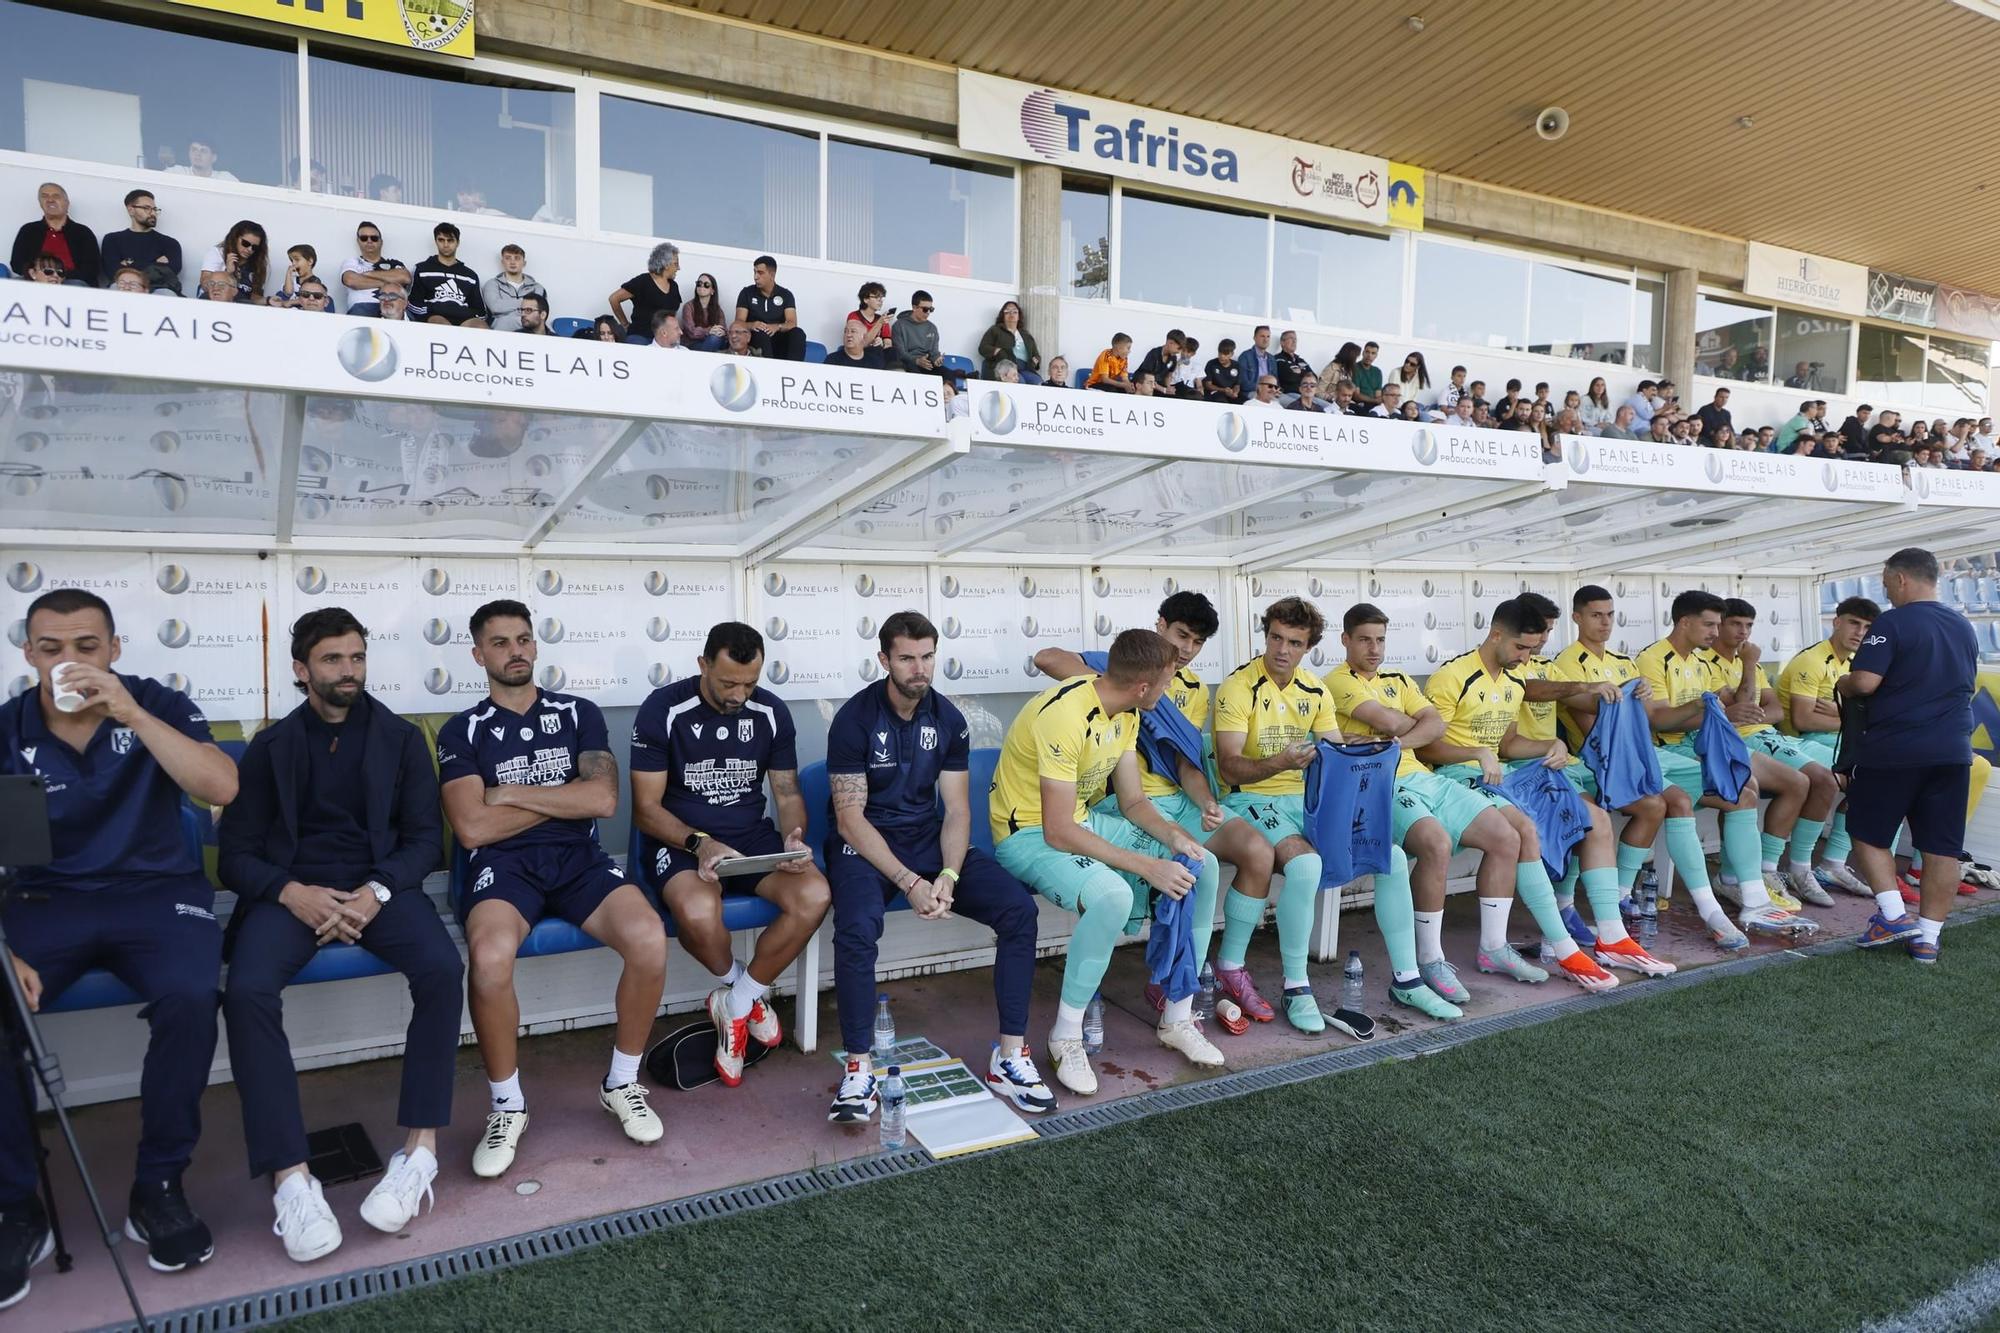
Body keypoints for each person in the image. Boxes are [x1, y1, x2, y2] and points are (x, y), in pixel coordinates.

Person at [0, 589, 238, 1291]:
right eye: (51, 649)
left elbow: (220, 782)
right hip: (46, 901)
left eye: (86, 646)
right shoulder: (9, 725)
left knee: (192, 995)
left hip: (156, 893)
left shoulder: (154, 702)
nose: (69, 662)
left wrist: (128, 711)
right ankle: (17, 1205)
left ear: (114, 649)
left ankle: (158, 1184)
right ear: (28, 654)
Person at [216, 610, 458, 1261]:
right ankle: (292, 1178)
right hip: (291, 894)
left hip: (379, 891)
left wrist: (374, 891)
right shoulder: (271, 748)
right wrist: (292, 892)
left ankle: (419, 1153)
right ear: (302, 669)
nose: (347, 670)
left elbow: (423, 842)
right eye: (332, 659)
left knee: (441, 968)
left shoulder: (402, 739)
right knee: (246, 991)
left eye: (355, 657)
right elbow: (233, 855)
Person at [438, 601, 667, 1179]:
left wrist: (508, 793)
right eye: (499, 643)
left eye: (523, 639)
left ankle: (622, 1083)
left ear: (535, 646)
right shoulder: (460, 729)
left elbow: (603, 800)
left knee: (648, 937)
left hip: (578, 861)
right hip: (503, 868)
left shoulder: (577, 713)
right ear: (478, 654)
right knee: (489, 959)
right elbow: (471, 827)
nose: (514, 651)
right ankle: (506, 1106)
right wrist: (561, 795)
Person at [1033, 593, 1300, 1030]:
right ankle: (1169, 980)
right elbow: (1046, 658)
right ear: (1161, 625)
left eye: (1197, 642)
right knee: (1196, 864)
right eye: (1181, 636)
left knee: (1257, 850)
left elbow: (1184, 759)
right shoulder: (1118, 663)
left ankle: (1227, 968)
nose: (1188, 649)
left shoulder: (1193, 690)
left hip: (1175, 800)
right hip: (1122, 804)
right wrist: (1126, 683)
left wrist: (1207, 802)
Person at [826, 613, 1055, 1122]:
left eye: (927, 656)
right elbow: (848, 819)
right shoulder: (854, 719)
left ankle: (1010, 1057)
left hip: (928, 840)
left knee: (1018, 910)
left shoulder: (949, 719)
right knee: (858, 927)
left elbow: (956, 809)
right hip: (866, 844)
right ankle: (858, 1070)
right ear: (883, 660)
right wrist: (909, 882)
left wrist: (948, 876)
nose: (919, 668)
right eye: (907, 658)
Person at [990, 630, 1210, 1094]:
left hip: (1080, 822)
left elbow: (1132, 801)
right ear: (1143, 687)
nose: (1170, 693)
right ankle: (1066, 1036)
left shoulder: (1128, 711)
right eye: (1167, 684)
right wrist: (1145, 866)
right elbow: (1057, 830)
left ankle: (1177, 1015)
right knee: (1113, 895)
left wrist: (1173, 837)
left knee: (1198, 866)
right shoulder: (1064, 716)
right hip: (1027, 834)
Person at [630, 623, 828, 1083]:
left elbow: (786, 790)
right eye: (728, 683)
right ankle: (745, 995)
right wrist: (700, 843)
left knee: (814, 895)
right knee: (698, 912)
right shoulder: (664, 709)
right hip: (682, 840)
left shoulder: (771, 712)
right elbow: (645, 810)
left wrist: (794, 837)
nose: (739, 694)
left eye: (750, 683)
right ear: (703, 666)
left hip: (753, 838)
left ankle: (736, 1002)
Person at [1414, 606, 1637, 989]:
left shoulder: (1514, 678)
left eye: (1532, 650)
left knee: (1594, 818)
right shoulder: (1452, 677)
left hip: (1501, 774)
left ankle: (1612, 937)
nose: (1526, 659)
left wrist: (1551, 745)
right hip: (1455, 776)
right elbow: (1427, 751)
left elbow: (1507, 744)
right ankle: (1562, 947)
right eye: (1521, 648)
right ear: (1496, 634)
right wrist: (1476, 753)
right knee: (1522, 828)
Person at [1549, 587, 1753, 952]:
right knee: (1670, 801)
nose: (1606, 622)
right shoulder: (1567, 663)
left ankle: (1625, 895)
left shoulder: (1624, 661)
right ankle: (1711, 909)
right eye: (1596, 615)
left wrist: (1699, 706)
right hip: (1600, 760)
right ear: (1577, 618)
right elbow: (1592, 722)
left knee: (1734, 789)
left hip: (1643, 754)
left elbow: (1646, 720)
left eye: (1610, 614)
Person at [1508, 594, 1676, 975]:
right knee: (1585, 818)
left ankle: (1605, 924)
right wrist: (1585, 686)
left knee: (1605, 815)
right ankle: (1562, 920)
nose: (1542, 640)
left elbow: (1586, 699)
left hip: (1557, 764)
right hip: (1520, 768)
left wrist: (1627, 692)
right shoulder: (1513, 669)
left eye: (1548, 632)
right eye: (1537, 633)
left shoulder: (1547, 667)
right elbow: (1531, 690)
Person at [1636, 591, 1816, 940]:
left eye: (1718, 624)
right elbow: (1658, 721)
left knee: (1755, 787)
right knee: (1739, 790)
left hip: (1702, 744)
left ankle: (1750, 891)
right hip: (1668, 750)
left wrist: (1718, 711)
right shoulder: (1653, 659)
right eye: (1709, 624)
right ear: (1685, 622)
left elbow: (1741, 706)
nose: (1714, 632)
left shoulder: (1700, 662)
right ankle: (1743, 896)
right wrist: (1711, 711)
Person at [1836, 548, 1982, 962]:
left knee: (1865, 831)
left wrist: (1845, 683)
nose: (1886, 592)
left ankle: (1894, 915)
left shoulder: (1893, 622)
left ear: (1900, 579)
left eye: (1886, 583)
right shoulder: (1964, 625)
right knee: (1942, 848)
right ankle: (1928, 940)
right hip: (1953, 750)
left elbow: (1865, 682)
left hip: (1896, 749)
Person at [1706, 600, 1841, 911]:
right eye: (1735, 624)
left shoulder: (1746, 660)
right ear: (1719, 625)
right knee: (1808, 781)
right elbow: (1738, 706)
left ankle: (1802, 869)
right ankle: (1765, 871)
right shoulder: (1708, 663)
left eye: (1749, 625)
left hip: (1766, 735)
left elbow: (1775, 709)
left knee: (1840, 776)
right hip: (1736, 742)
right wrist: (1750, 666)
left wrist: (1752, 711)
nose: (1743, 632)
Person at [1776, 597, 1882, 897]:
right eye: (1853, 623)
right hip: (1800, 741)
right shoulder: (1812, 660)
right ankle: (1805, 867)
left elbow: (1868, 715)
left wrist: (1842, 716)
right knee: (1867, 774)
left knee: (1889, 774)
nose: (1859, 632)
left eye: (1867, 627)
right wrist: (1850, 719)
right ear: (1836, 622)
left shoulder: (1854, 663)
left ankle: (1834, 863)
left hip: (1835, 739)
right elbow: (1803, 719)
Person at [12, 182, 99, 285]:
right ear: (40, 203)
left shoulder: (83, 233)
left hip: (70, 282)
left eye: (56, 196)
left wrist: (57, 275)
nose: (50, 200)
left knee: (77, 284)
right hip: (36, 281)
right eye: (44, 196)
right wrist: (41, 275)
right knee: (16, 282)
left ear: (67, 203)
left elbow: (92, 269)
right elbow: (17, 264)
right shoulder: (28, 230)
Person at [408, 223, 488, 328]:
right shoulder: (422, 269)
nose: (445, 245)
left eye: (450, 240)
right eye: (441, 240)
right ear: (435, 241)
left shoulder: (470, 276)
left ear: (457, 243)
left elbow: (481, 313)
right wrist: (434, 310)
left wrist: (460, 312)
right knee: (439, 321)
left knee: (480, 325)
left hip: (464, 320)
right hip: (434, 318)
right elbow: (412, 303)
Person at [98, 189, 181, 289]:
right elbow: (113, 272)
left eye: (155, 209)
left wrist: (129, 262)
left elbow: (171, 272)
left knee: (166, 295)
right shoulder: (112, 239)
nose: (153, 213)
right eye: (147, 208)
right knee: (115, 288)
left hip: (159, 288)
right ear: (131, 210)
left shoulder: (170, 243)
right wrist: (156, 264)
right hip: (124, 286)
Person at [734, 254, 806, 360]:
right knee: (761, 334)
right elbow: (738, 322)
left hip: (778, 339)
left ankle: (794, 370)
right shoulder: (746, 293)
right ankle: (768, 371)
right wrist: (753, 324)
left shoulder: (786, 294)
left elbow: (792, 323)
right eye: (754, 272)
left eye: (760, 273)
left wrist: (776, 327)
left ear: (772, 275)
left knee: (798, 333)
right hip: (757, 338)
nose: (755, 277)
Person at [610, 243, 684, 343]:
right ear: (666, 265)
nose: (678, 268)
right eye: (676, 264)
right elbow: (614, 299)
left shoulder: (674, 286)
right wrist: (625, 324)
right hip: (640, 337)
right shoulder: (643, 281)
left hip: (663, 341)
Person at [338, 222, 407, 317]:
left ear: (381, 242)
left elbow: (405, 278)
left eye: (374, 238)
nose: (369, 241)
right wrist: (386, 283)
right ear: (358, 241)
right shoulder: (353, 262)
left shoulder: (394, 263)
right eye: (364, 238)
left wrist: (368, 274)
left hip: (393, 307)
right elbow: (351, 281)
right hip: (363, 307)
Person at [481, 244, 546, 334]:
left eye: (517, 258)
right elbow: (496, 307)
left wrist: (510, 308)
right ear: (502, 262)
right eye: (508, 258)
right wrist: (527, 305)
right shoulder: (492, 284)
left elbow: (539, 312)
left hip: (530, 326)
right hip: (501, 328)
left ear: (524, 263)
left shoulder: (537, 287)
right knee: (508, 321)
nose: (512, 262)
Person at [199, 220, 268, 304]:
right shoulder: (218, 253)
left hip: (241, 309)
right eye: (245, 243)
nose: (249, 249)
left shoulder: (257, 264)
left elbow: (253, 298)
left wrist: (269, 300)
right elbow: (204, 284)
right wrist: (227, 273)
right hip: (211, 304)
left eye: (254, 247)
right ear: (235, 238)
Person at [892, 291, 941, 374]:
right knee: (916, 373)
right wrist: (917, 361)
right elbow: (900, 353)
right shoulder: (899, 325)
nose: (928, 312)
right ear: (914, 307)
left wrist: (937, 359)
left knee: (948, 375)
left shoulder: (932, 328)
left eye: (931, 309)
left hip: (927, 364)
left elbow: (934, 352)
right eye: (925, 309)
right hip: (908, 363)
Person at [678, 272, 728, 351]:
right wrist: (709, 331)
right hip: (692, 343)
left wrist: (721, 332)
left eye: (706, 285)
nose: (702, 286)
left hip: (711, 340)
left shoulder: (717, 310)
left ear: (712, 291)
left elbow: (723, 329)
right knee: (713, 339)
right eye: (699, 283)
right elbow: (692, 332)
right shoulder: (688, 307)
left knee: (717, 339)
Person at [271, 244, 322, 311]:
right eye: (292, 261)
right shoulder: (293, 279)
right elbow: (288, 293)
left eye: (297, 260)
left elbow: (310, 299)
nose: (293, 263)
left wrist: (291, 302)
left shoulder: (314, 281)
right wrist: (288, 274)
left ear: (310, 261)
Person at [847, 282, 894, 355]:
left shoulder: (881, 318)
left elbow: (888, 343)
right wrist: (880, 323)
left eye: (881, 297)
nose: (880, 300)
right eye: (876, 297)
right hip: (859, 353)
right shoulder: (854, 316)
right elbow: (859, 344)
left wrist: (883, 344)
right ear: (865, 299)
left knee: (893, 352)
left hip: (878, 353)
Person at [165, 139, 237, 182]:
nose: (197, 154)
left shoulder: (225, 178)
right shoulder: (176, 172)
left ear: (214, 158)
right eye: (194, 149)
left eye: (203, 151)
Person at [1238, 326, 1278, 397]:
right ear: (1254, 338)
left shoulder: (1272, 359)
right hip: (1252, 392)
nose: (1266, 340)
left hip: (1271, 392)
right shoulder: (1245, 356)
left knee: (1292, 402)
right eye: (1262, 336)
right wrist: (1264, 388)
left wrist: (1276, 390)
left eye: (1268, 336)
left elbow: (1276, 380)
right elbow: (1244, 384)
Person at [1272, 330, 1311, 396]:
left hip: (1307, 394)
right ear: (1282, 342)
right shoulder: (1278, 359)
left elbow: (1313, 377)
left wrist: (1299, 371)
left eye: (1295, 339)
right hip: (1290, 394)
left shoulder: (1300, 360)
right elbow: (1289, 377)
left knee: (1328, 406)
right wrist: (1304, 373)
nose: (1294, 341)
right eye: (1291, 338)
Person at [1203, 338, 1243, 403]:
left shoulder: (1237, 366)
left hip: (1230, 393)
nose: (1222, 356)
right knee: (1221, 400)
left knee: (1245, 402)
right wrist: (1223, 390)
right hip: (1216, 393)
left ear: (1232, 354)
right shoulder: (1211, 364)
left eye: (1225, 354)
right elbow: (1208, 385)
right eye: (1220, 353)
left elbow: (1237, 385)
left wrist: (1235, 393)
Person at [1350, 341, 1384, 405]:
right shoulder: (1354, 368)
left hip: (1374, 405)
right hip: (1359, 404)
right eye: (1367, 352)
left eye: (1373, 353)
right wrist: (1374, 400)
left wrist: (1377, 401)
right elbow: (1356, 395)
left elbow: (1378, 395)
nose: (1369, 355)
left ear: (1376, 356)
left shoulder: (1377, 371)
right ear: (1363, 353)